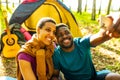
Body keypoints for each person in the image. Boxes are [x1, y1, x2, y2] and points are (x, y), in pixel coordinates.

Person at [52, 16, 120, 80]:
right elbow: (55, 75)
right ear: (56, 39)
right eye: (60, 35)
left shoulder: (81, 43)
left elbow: (100, 36)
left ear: (71, 34)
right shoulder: (56, 54)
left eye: (67, 33)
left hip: (93, 78)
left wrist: (107, 28)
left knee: (115, 77)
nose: (64, 36)